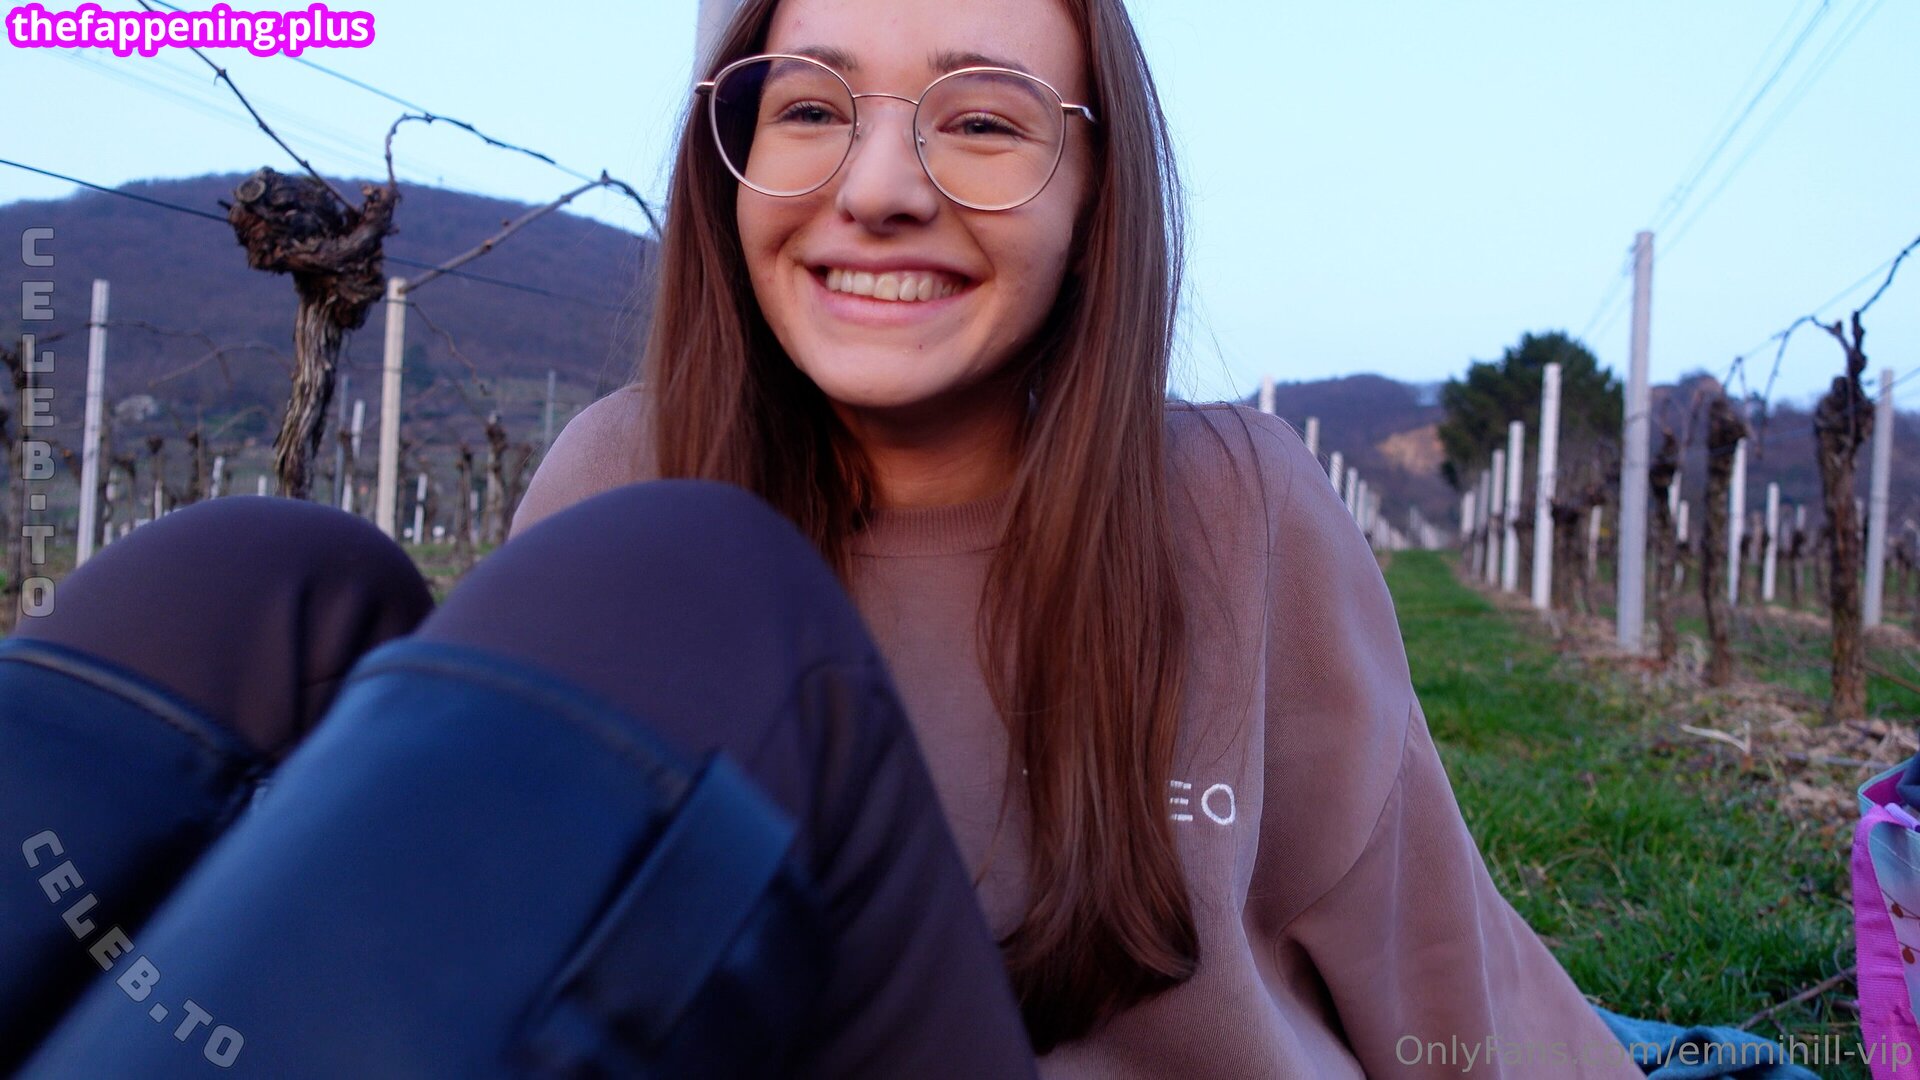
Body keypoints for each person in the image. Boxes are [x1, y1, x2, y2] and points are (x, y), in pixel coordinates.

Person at [510, 0, 1648, 1076]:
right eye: (808, 107)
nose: (878, 189)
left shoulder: (1243, 512)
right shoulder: (621, 488)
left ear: (1098, 196)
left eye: (982, 123)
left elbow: (1441, 991)